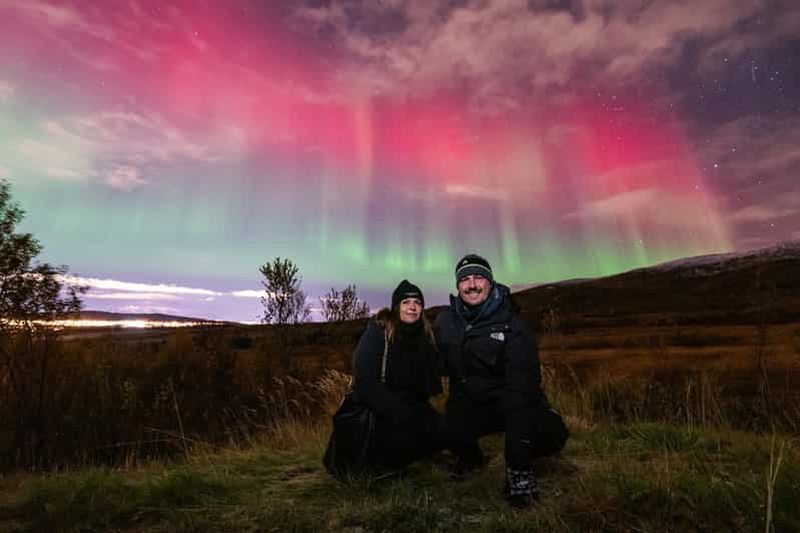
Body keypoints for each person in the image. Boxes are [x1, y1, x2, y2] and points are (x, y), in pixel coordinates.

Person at [435, 253, 568, 507]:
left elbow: (522, 387)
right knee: (445, 427)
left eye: (479, 278)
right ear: (457, 285)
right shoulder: (446, 322)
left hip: (512, 401)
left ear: (490, 282)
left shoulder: (513, 323)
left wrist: (517, 463)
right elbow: (434, 363)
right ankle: (470, 458)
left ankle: (520, 471)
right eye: (464, 279)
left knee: (548, 433)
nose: (472, 285)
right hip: (471, 402)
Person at [350, 279, 443, 471]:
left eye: (417, 302)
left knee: (449, 432)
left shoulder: (425, 336)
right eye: (406, 302)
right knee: (393, 463)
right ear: (396, 307)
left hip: (415, 407)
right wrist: (401, 413)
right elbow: (365, 384)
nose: (412, 307)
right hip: (382, 412)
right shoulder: (378, 333)